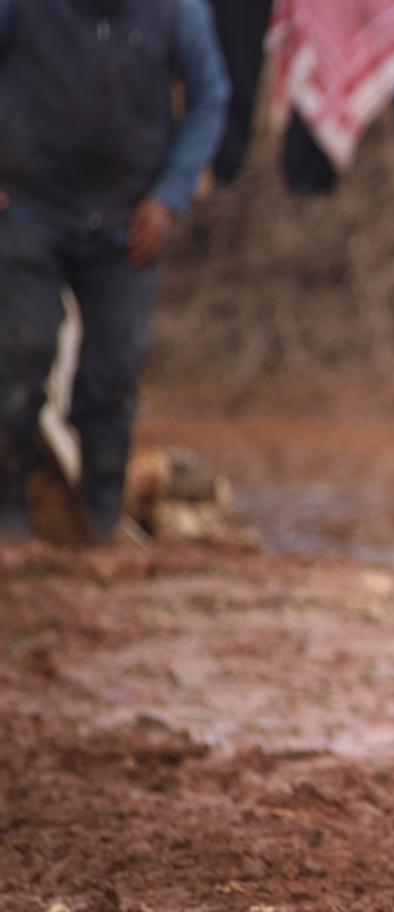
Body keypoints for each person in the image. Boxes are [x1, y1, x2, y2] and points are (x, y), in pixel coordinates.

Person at [0, 0, 231, 543]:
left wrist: (170, 196)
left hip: (130, 221)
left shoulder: (177, 11)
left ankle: (101, 521)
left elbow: (211, 98)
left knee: (116, 369)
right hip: (28, 209)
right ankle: (9, 517)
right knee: (18, 358)